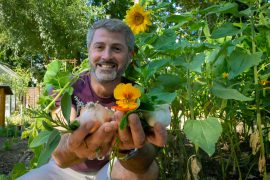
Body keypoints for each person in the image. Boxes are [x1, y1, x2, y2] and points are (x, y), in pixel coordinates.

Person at [18, 18, 168, 180]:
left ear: (130, 55)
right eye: (99, 47)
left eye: (116, 48)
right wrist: (74, 146)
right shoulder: (64, 86)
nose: (106, 56)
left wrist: (128, 150)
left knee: (147, 172)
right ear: (89, 50)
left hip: (112, 168)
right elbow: (61, 153)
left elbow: (146, 160)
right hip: (64, 171)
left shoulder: (139, 95)